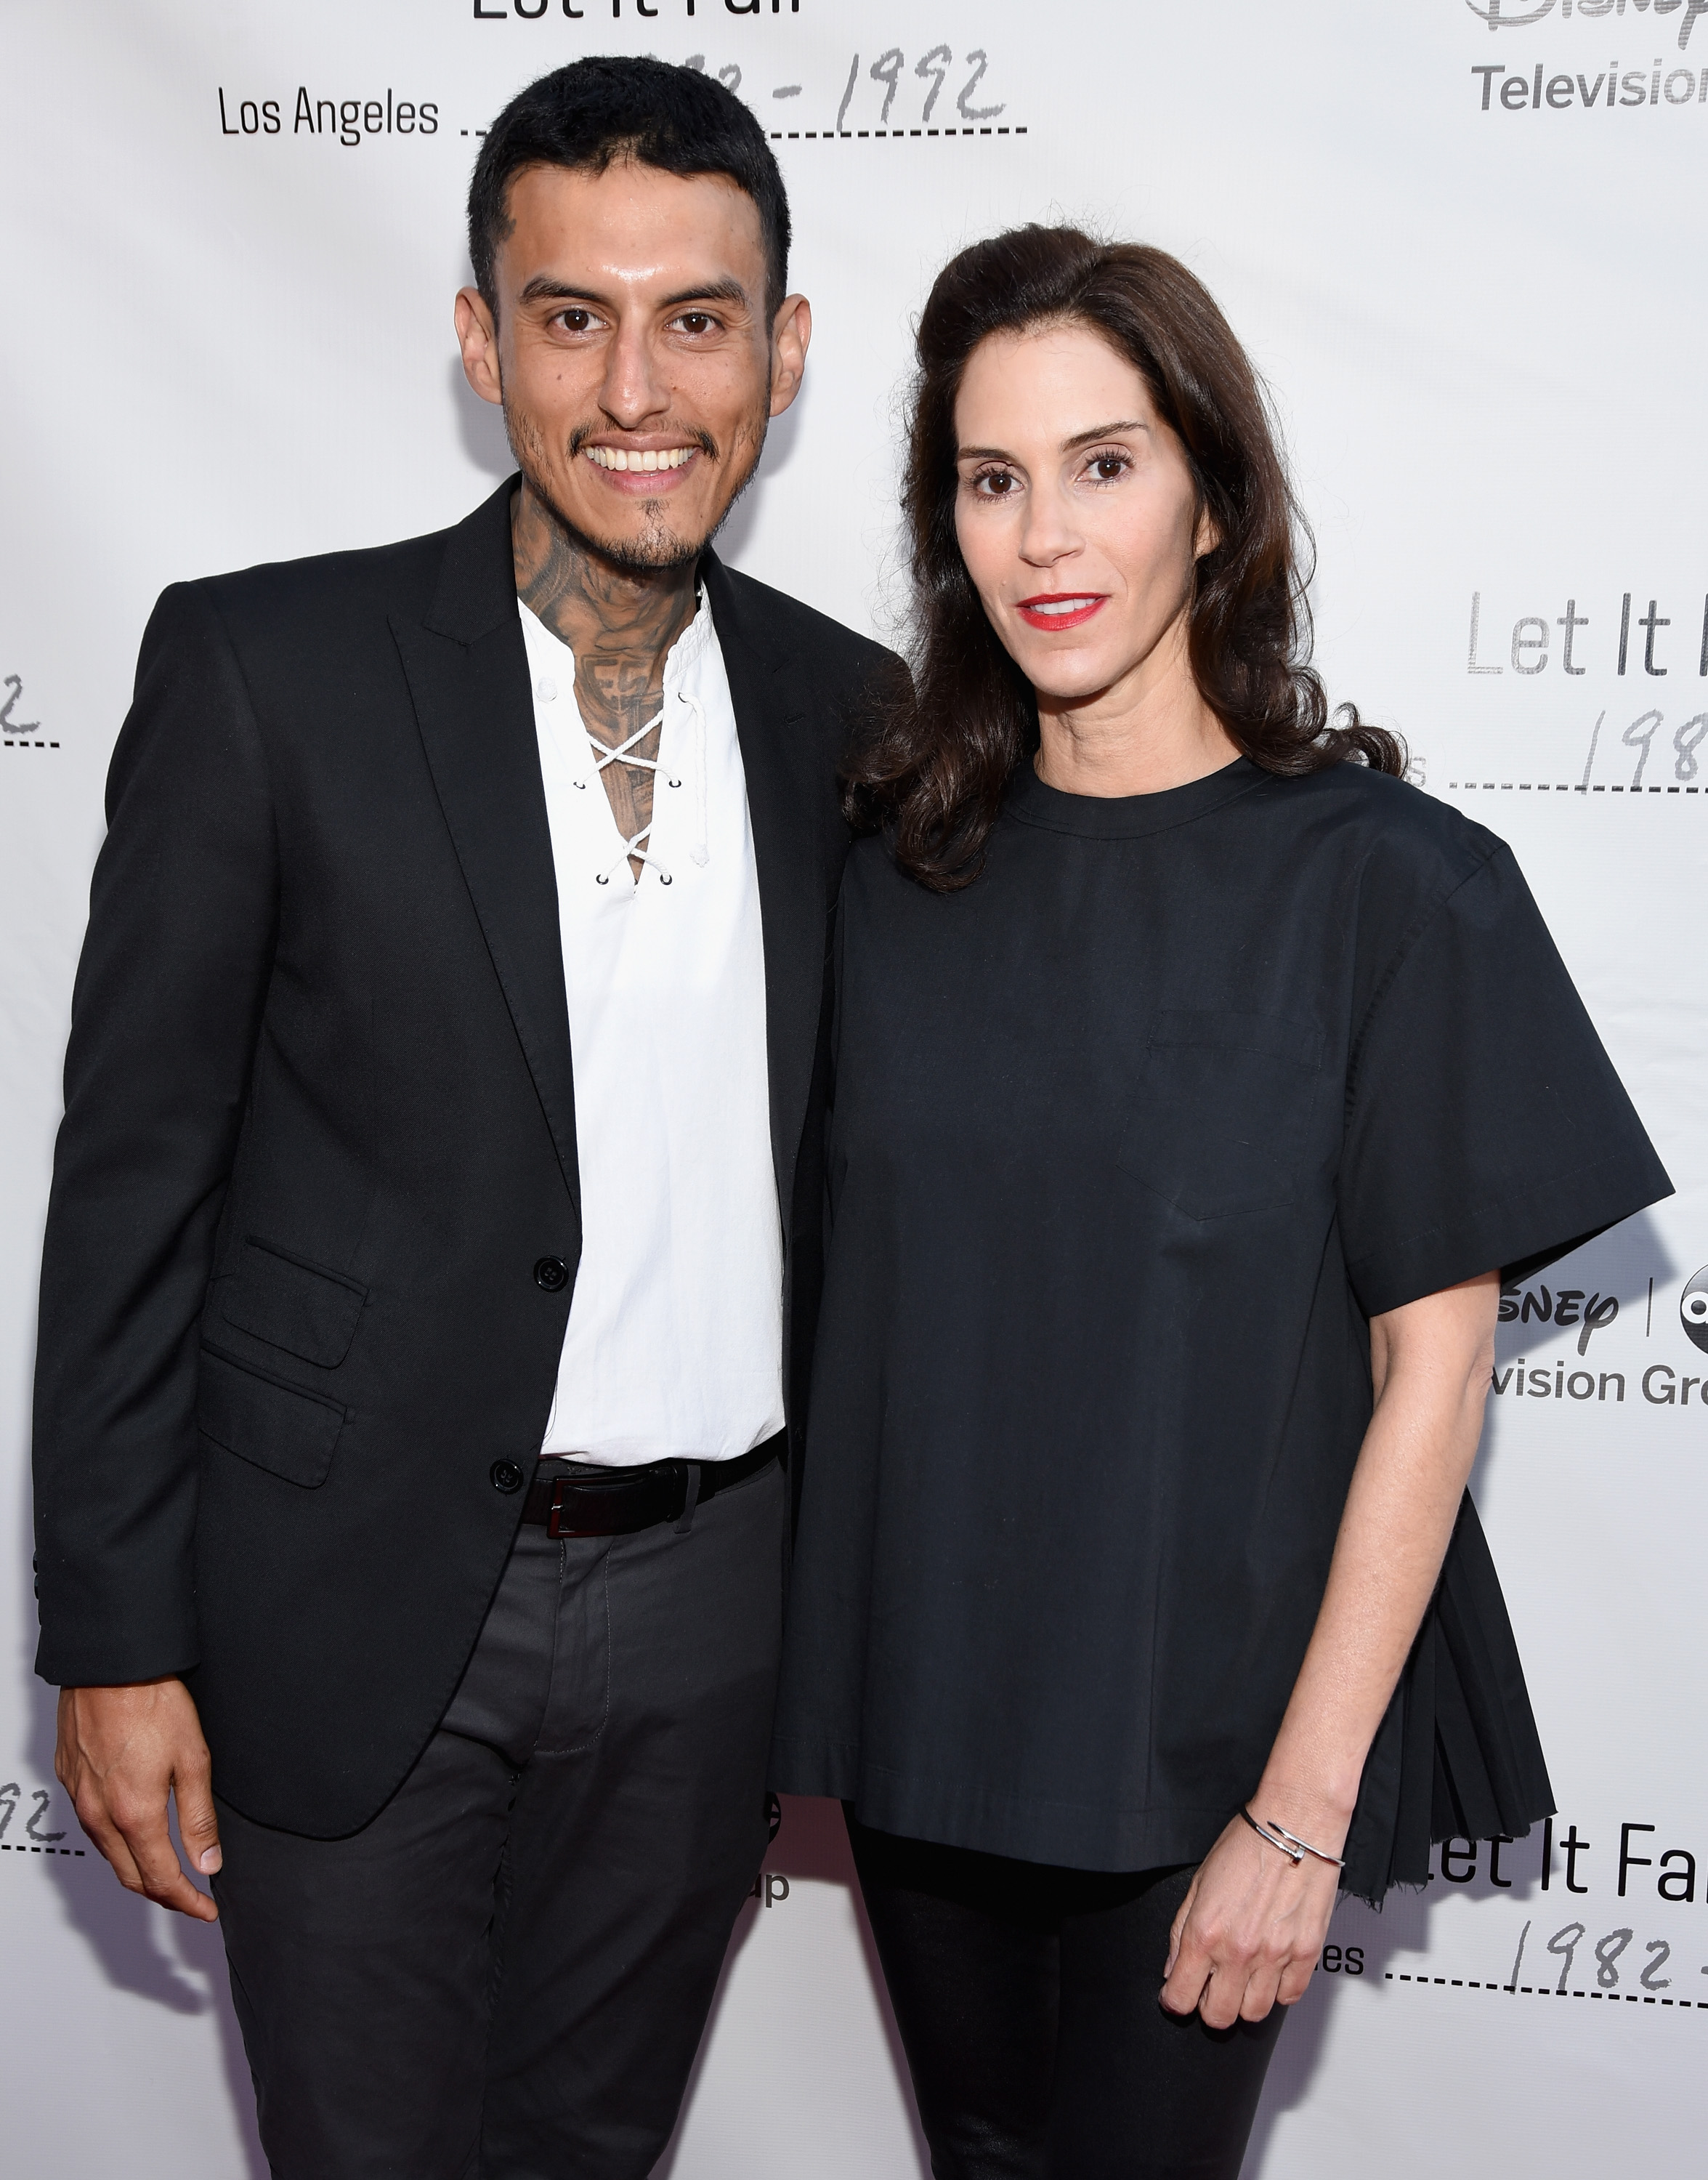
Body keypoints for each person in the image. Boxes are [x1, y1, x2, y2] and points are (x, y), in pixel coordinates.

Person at [33, 57, 895, 2179]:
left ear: (781, 356)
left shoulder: (857, 721)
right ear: (477, 336)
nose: (638, 385)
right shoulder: (268, 673)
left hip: (715, 1617)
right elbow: (136, 1181)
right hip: (350, 1599)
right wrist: (116, 1638)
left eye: (698, 318)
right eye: (570, 314)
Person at [769, 225, 1672, 2179]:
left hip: (1211, 1757)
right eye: (990, 481)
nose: (1045, 535)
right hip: (929, 1715)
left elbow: (1433, 1376)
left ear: (1212, 497)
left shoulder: (1389, 888)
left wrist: (1300, 1811)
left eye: (1105, 463)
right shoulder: (888, 878)